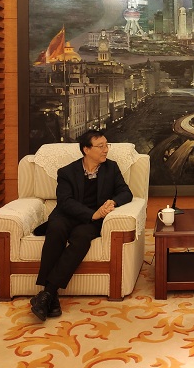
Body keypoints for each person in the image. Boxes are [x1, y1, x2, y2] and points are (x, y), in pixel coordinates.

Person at [29, 129, 133, 321]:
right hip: (68, 215)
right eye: (100, 146)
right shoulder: (67, 172)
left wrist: (113, 201)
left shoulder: (111, 168)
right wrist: (92, 213)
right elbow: (65, 202)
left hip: (90, 222)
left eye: (107, 145)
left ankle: (48, 293)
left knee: (82, 237)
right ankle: (51, 296)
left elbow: (126, 192)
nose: (106, 150)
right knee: (56, 229)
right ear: (86, 149)